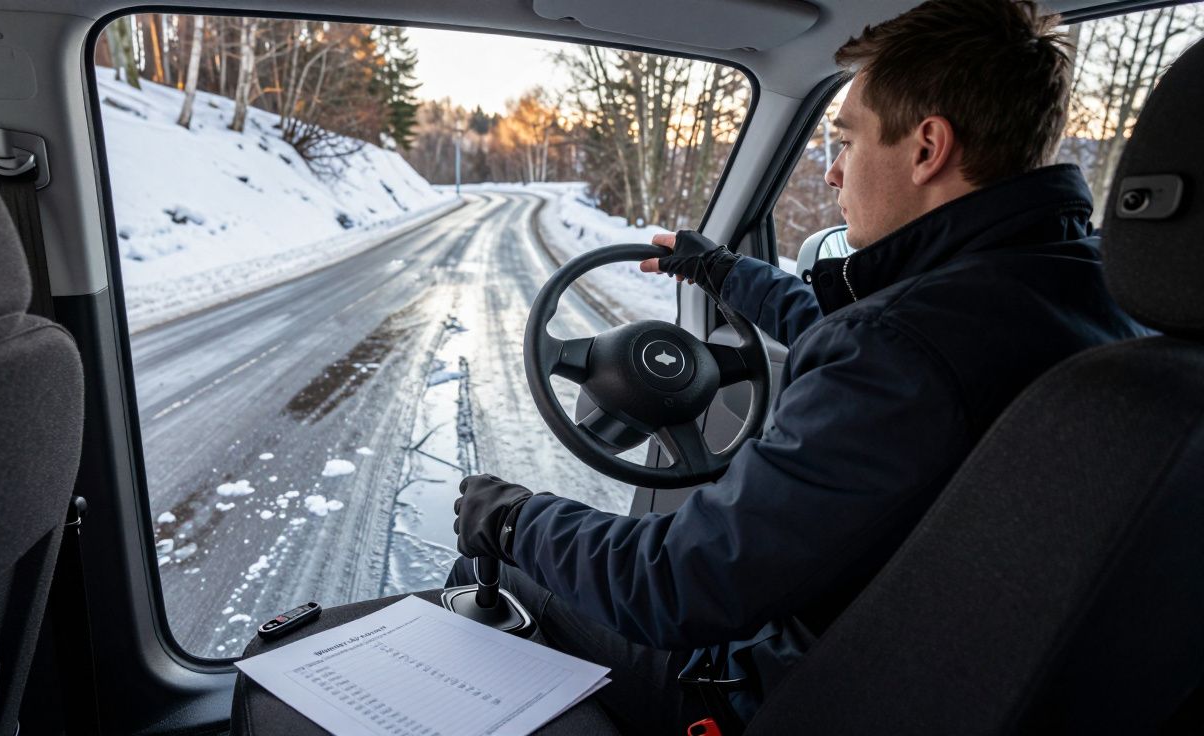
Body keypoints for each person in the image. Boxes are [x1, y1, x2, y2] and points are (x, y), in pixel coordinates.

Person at [450, 0, 1150, 732]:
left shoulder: (902, 353)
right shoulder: (1078, 294)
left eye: (846, 140)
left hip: (770, 694)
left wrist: (513, 518)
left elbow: (673, 584)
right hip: (929, 679)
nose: (836, 172)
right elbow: (852, 332)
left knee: (487, 571)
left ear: (926, 148)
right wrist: (721, 271)